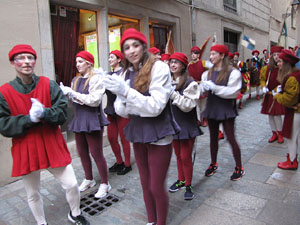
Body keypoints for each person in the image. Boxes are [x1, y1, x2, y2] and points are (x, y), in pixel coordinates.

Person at [0, 44, 89, 225]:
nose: (26, 62)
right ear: (13, 62)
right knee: (33, 193)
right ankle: (41, 223)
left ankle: (75, 213)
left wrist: (44, 114)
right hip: (26, 147)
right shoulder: (4, 92)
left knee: (71, 183)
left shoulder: (48, 84)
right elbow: (3, 125)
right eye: (20, 58)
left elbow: (63, 113)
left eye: (30, 57)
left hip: (51, 143)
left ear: (34, 61)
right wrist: (28, 119)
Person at [103, 28, 180, 225]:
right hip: (138, 131)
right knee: (145, 183)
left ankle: (160, 222)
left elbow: (155, 107)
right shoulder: (125, 72)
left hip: (159, 132)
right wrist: (120, 94)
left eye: (135, 45)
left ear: (144, 47)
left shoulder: (159, 68)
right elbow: (122, 111)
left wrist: (127, 94)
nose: (131, 51)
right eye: (126, 47)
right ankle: (151, 220)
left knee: (156, 185)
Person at [60, 51, 111, 198]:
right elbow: (74, 102)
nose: (77, 65)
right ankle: (89, 179)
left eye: (81, 61)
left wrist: (73, 94)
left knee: (96, 153)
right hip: (79, 119)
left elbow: (94, 100)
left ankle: (105, 183)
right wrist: (65, 94)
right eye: (76, 62)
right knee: (82, 152)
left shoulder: (96, 79)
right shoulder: (75, 80)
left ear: (89, 63)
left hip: (93, 119)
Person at [197, 44, 244, 181]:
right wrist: (200, 88)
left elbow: (233, 92)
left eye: (214, 54)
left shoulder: (233, 72)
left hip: (226, 109)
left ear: (222, 56)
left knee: (230, 138)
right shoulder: (206, 73)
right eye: (210, 54)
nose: (211, 57)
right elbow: (201, 91)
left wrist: (215, 88)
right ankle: (213, 163)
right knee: (213, 138)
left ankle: (239, 167)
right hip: (212, 108)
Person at [167, 52, 203, 200]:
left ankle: (188, 184)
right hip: (175, 124)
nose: (173, 65)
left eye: (176, 62)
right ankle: (181, 180)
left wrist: (173, 94)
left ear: (183, 65)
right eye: (171, 62)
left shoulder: (190, 83)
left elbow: (188, 105)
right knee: (177, 155)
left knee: (185, 156)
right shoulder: (168, 81)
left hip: (187, 125)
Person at [105, 50, 132, 175]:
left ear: (119, 59)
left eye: (112, 57)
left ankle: (127, 164)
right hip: (111, 109)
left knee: (124, 138)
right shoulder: (108, 74)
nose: (109, 59)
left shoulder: (125, 73)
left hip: (122, 110)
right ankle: (119, 161)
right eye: (109, 57)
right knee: (111, 137)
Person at [274, 49, 300, 170]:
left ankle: (292, 161)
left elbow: (289, 99)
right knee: (294, 137)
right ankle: (292, 158)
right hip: (295, 111)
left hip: (295, 112)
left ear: (286, 63)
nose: (278, 64)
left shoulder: (291, 78)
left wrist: (277, 95)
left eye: (280, 61)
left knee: (291, 137)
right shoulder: (296, 74)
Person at [260, 46, 285, 144]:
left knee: (277, 115)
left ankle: (280, 134)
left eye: (278, 55)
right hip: (269, 95)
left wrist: (280, 87)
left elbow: (287, 79)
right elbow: (262, 79)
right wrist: (263, 87)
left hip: (277, 95)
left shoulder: (283, 68)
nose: (276, 57)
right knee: (270, 115)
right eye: (274, 55)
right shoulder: (266, 68)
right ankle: (274, 133)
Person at [188, 46, 212, 127]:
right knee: (196, 104)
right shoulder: (189, 65)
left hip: (202, 85)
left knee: (203, 104)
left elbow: (213, 67)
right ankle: (198, 119)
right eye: (192, 53)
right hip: (194, 86)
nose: (193, 55)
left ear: (198, 55)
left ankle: (205, 119)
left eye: (195, 53)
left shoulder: (203, 63)